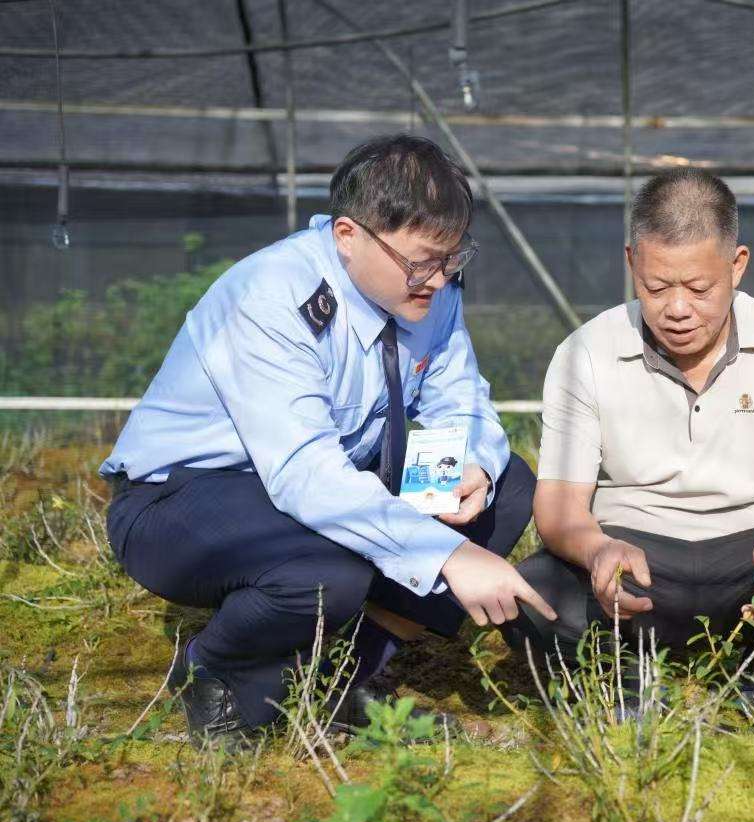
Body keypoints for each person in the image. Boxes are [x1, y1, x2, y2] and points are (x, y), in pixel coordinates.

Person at [101, 134, 557, 747]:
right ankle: (217, 675)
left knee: (507, 487)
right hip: (181, 501)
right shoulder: (272, 295)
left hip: (322, 485)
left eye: (453, 259)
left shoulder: (429, 289)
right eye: (421, 261)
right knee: (326, 569)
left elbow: (459, 396)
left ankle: (352, 679)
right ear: (348, 234)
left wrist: (467, 464)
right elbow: (305, 475)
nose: (439, 278)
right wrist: (447, 555)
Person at [505, 169, 754, 719]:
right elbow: (561, 506)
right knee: (527, 597)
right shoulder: (585, 353)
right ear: (632, 262)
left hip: (753, 552)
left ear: (737, 266)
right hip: (631, 558)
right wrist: (597, 552)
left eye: (699, 288)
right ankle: (627, 673)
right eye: (657, 287)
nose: (678, 309)